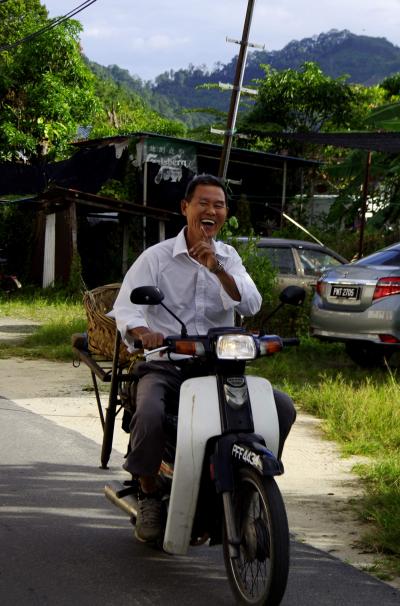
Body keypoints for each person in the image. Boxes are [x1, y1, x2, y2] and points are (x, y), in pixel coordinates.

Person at [113, 174, 296, 542]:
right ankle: (149, 494)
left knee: (282, 408)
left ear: (225, 213)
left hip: (220, 365)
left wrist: (217, 269)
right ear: (186, 208)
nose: (211, 210)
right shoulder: (157, 258)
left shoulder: (228, 257)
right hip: (167, 362)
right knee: (149, 415)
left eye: (219, 205)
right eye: (203, 203)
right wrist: (142, 332)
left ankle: (249, 481)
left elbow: (251, 303)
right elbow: (125, 308)